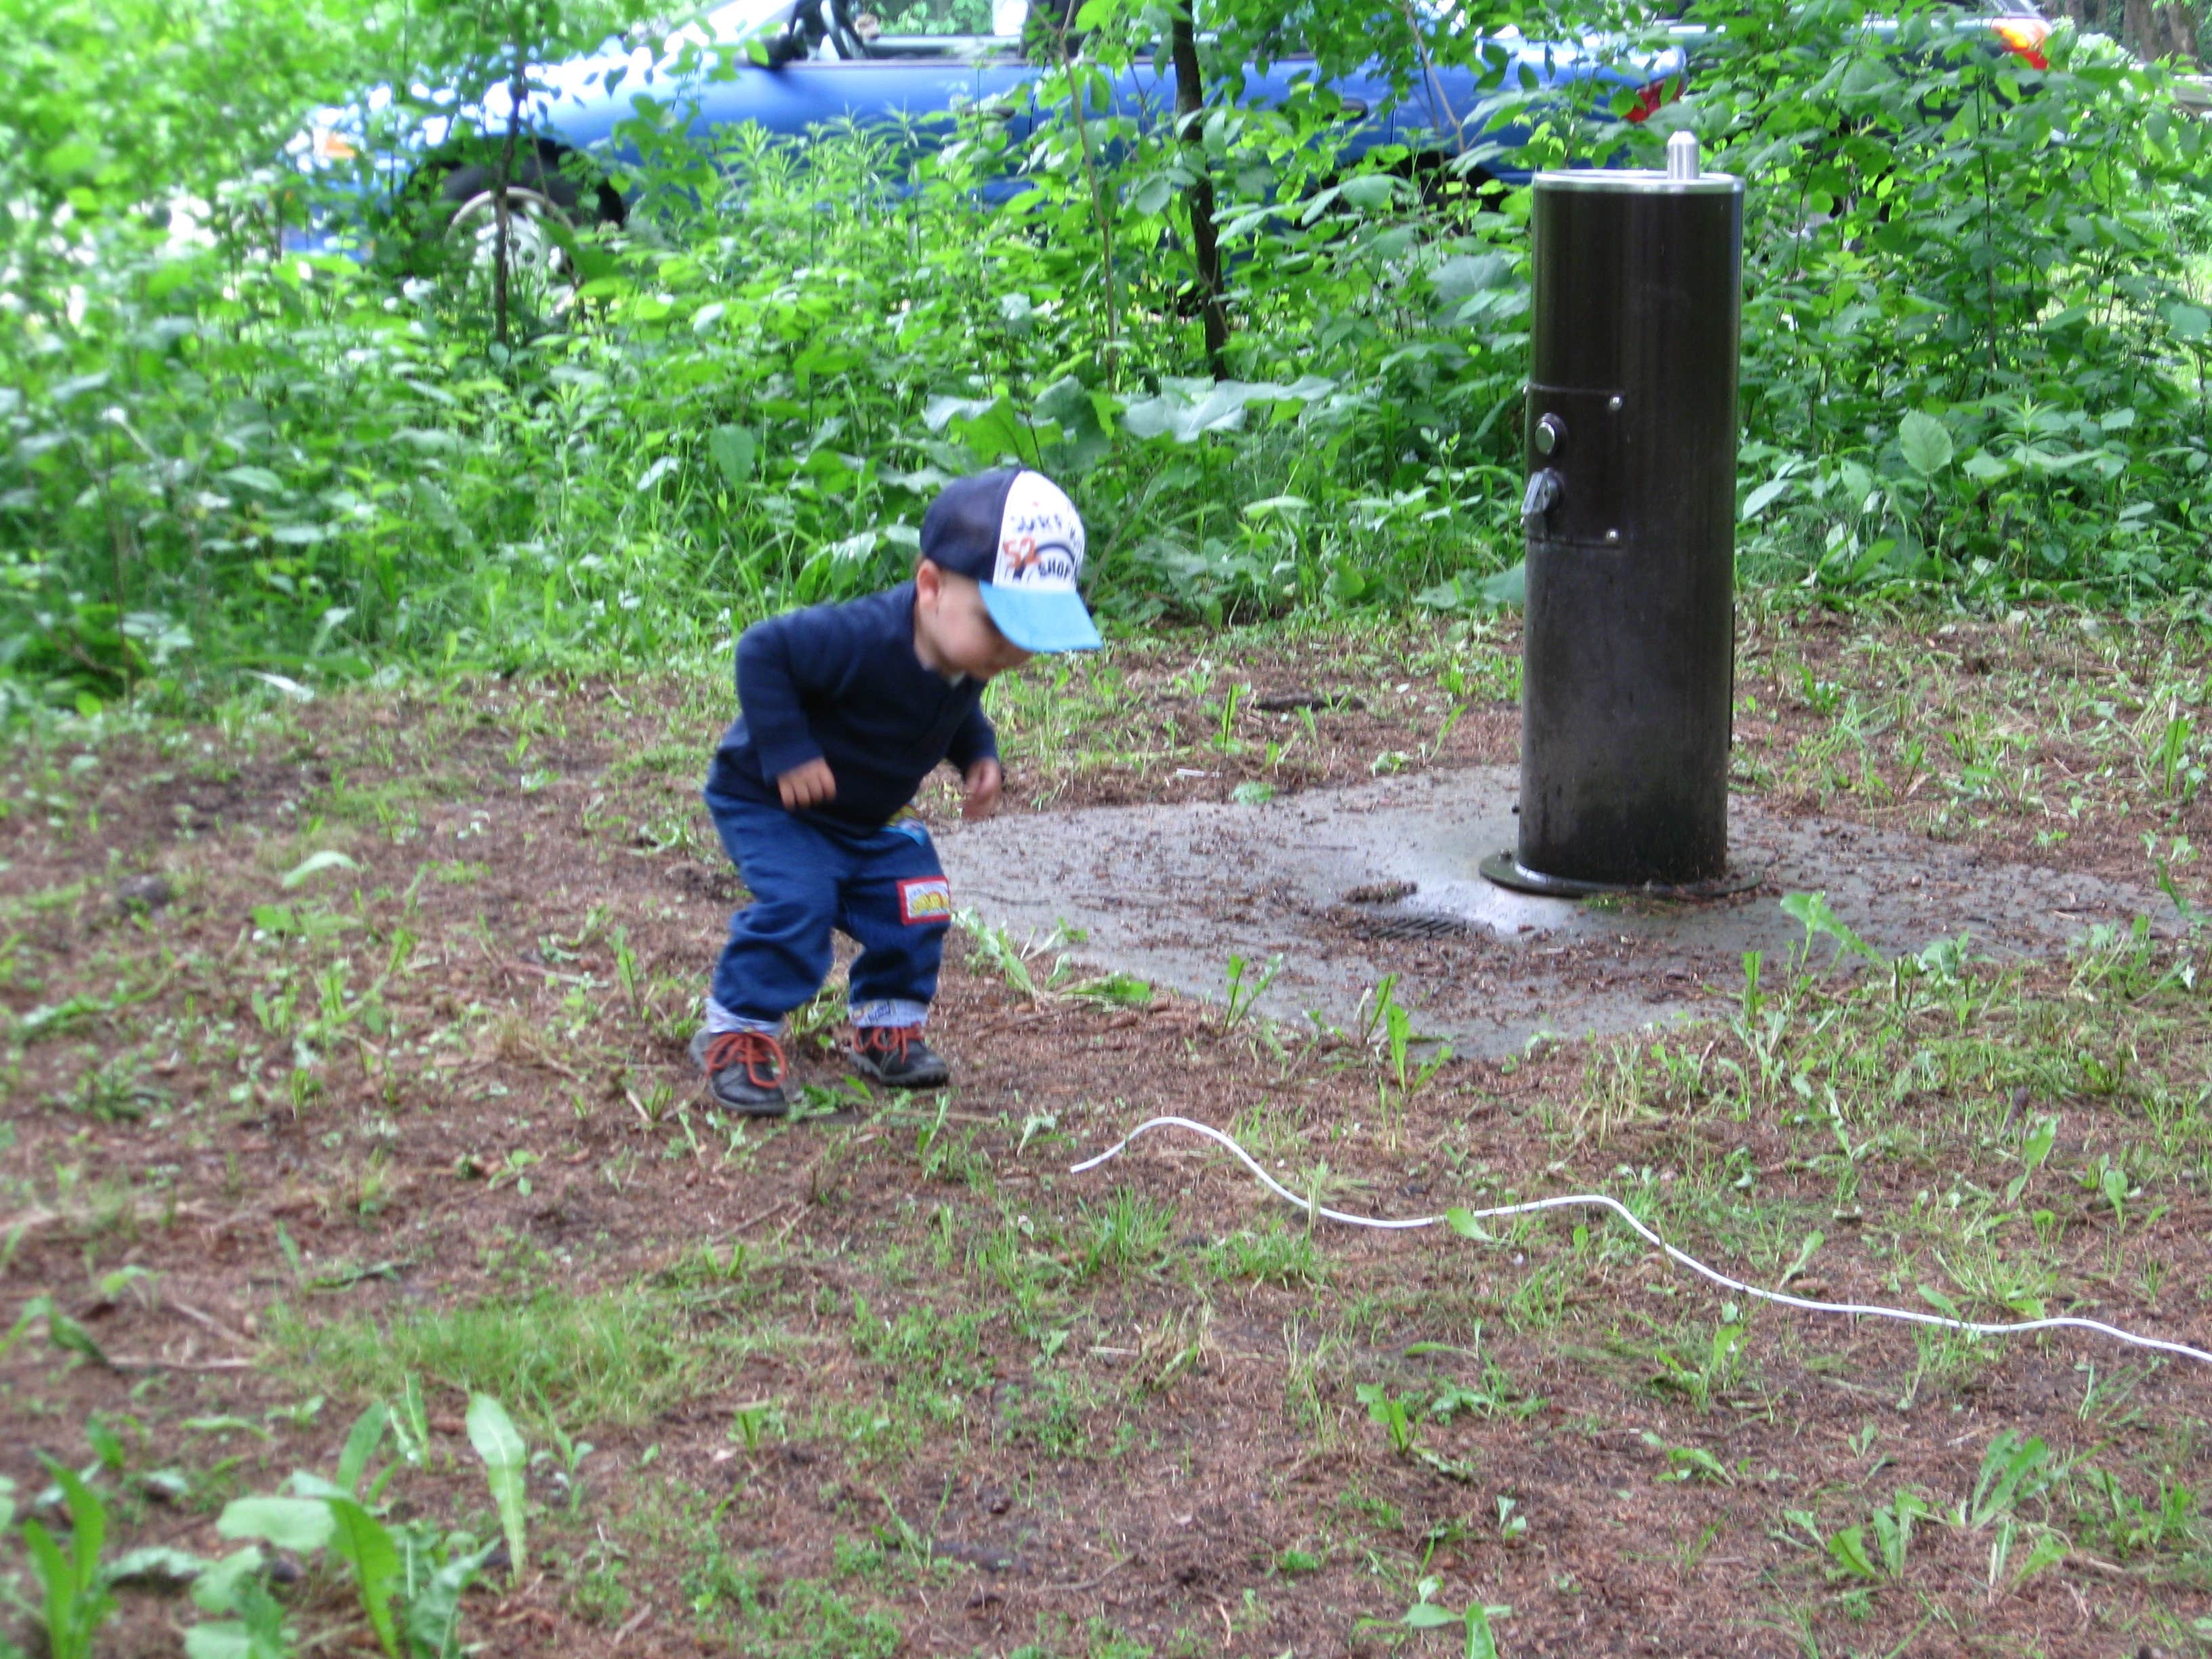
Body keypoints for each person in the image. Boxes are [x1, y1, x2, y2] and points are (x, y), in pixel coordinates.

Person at [689, 468, 1101, 1115]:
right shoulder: (859, 637)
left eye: (1031, 630)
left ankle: (886, 1024)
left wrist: (978, 754)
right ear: (930, 585)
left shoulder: (965, 652)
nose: (1014, 647)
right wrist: (789, 749)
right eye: (1001, 623)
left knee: (919, 900)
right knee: (800, 903)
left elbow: (956, 707)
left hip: (867, 816)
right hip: (777, 804)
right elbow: (762, 650)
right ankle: (738, 1029)